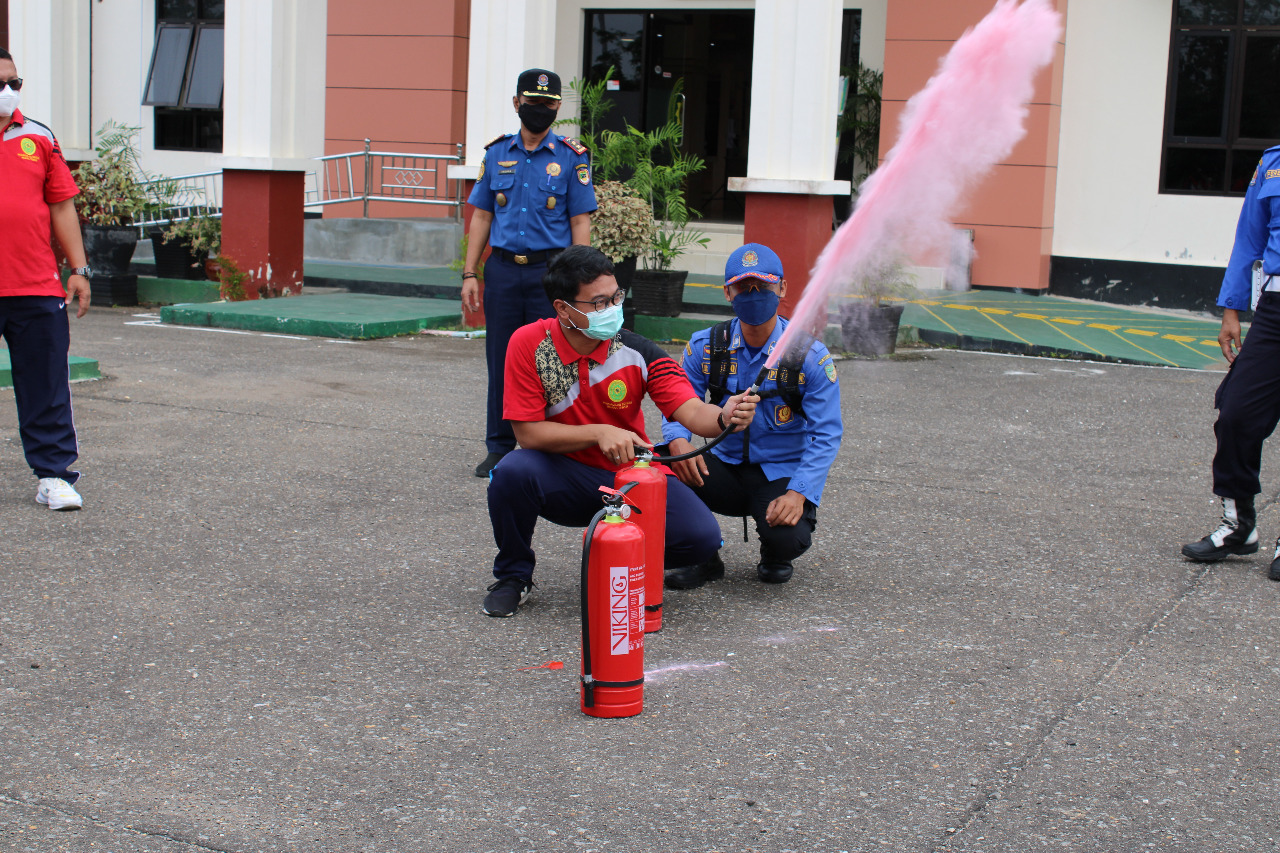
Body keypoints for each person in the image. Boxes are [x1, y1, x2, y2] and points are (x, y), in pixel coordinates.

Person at [481, 245, 759, 617]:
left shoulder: (637, 350)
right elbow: (528, 435)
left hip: (630, 476)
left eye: (616, 296)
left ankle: (616, 561)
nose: (612, 308)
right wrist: (599, 432)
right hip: (560, 473)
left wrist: (724, 416)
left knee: (701, 539)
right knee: (511, 473)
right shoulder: (529, 344)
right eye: (598, 302)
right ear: (563, 309)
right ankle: (514, 576)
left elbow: (691, 411)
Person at [660, 243, 842, 587]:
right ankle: (703, 557)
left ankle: (774, 552)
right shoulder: (707, 347)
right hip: (721, 464)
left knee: (787, 538)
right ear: (728, 292)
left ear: (783, 288)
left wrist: (798, 493)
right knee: (658, 475)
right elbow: (677, 403)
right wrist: (678, 442)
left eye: (764, 285)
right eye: (744, 287)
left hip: (779, 472)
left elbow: (827, 434)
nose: (754, 294)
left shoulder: (808, 356)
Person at [462, 68, 597, 479]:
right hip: (502, 271)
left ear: (558, 107)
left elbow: (580, 222)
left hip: (550, 274)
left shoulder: (572, 157)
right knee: (502, 361)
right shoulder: (496, 153)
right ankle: (499, 448)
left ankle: (555, 445)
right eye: (532, 102)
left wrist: (583, 282)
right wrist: (470, 273)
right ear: (517, 102)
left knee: (554, 361)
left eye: (548, 103)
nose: (540, 109)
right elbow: (482, 214)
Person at [0, 48, 92, 511]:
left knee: (45, 385)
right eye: (1, 82)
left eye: (14, 82)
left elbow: (61, 205)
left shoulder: (38, 135)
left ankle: (54, 476)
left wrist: (78, 269)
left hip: (34, 284)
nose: (8, 91)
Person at [1183, 147, 1280, 580]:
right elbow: (1250, 237)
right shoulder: (1273, 162)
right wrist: (1232, 307)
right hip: (1276, 306)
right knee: (1237, 413)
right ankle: (1239, 524)